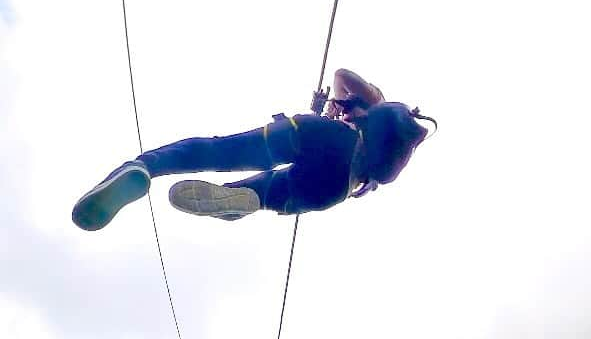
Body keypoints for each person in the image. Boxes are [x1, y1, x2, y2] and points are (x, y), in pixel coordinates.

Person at [72, 69, 436, 230]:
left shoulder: (368, 104)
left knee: (220, 152)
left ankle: (144, 168)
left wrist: (338, 105)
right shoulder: (382, 158)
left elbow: (343, 74)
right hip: (334, 190)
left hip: (322, 138)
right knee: (270, 193)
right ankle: (241, 200)